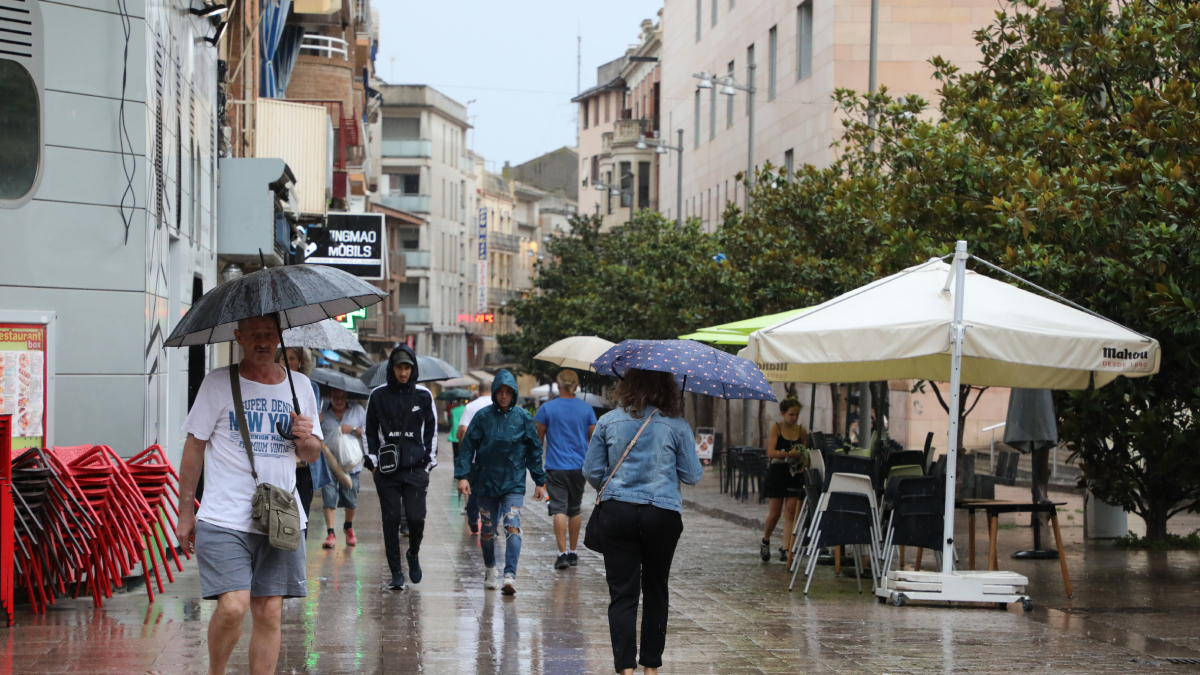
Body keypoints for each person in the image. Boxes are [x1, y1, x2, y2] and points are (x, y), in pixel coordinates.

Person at [176, 315, 323, 675]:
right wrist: (184, 513)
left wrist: (306, 438)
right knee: (233, 605)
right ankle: (216, 671)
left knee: (270, 610)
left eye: (269, 335)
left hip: (281, 520)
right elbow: (194, 448)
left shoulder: (300, 385)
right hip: (224, 517)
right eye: (254, 335)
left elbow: (312, 453)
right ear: (239, 336)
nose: (262, 342)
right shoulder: (217, 383)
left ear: (280, 338)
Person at [583, 368, 703, 675]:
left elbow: (592, 471)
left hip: (617, 514)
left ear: (628, 385)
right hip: (661, 515)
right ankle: (651, 667)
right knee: (655, 588)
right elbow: (692, 475)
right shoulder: (676, 426)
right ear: (667, 388)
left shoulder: (609, 421)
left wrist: (615, 489)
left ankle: (625, 669)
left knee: (623, 593)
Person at [455, 369, 547, 595]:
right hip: (485, 482)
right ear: (495, 392)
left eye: (508, 392)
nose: (504, 396)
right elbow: (467, 448)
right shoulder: (482, 417)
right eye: (500, 391)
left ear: (514, 394)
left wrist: (539, 481)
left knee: (512, 526)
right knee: (487, 529)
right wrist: (463, 476)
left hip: (513, 482)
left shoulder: (523, 418)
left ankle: (510, 575)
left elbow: (534, 451)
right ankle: (490, 568)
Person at [364, 344, 437, 591]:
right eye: (399, 367)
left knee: (416, 518)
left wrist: (428, 463)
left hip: (416, 469)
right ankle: (396, 572)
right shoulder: (378, 395)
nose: (403, 373)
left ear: (413, 368)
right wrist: (373, 463)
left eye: (407, 368)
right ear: (391, 368)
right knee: (391, 519)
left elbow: (431, 432)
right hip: (386, 470)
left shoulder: (424, 396)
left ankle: (413, 553)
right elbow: (369, 431)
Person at [534, 370, 597, 570]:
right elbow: (593, 439)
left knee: (559, 508)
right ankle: (573, 552)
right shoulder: (587, 409)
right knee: (575, 509)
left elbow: (538, 439)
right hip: (579, 467)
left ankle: (562, 554)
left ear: (558, 384)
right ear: (576, 386)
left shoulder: (547, 408)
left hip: (555, 467)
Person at [283, 346, 330, 532]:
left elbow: (314, 420)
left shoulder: (311, 386)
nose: (287, 362)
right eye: (283, 358)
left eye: (292, 358)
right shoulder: (271, 386)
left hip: (302, 465)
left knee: (301, 518)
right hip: (282, 459)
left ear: (301, 362)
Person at [760, 398, 809, 564]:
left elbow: (806, 453)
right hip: (778, 472)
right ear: (783, 413)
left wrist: (803, 463)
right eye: (791, 414)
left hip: (795, 474)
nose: (794, 418)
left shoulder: (802, 431)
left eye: (797, 414)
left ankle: (786, 548)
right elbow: (771, 452)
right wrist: (788, 454)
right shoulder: (777, 428)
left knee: (791, 513)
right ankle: (766, 539)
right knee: (775, 513)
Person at [319, 386, 366, 549]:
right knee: (329, 495)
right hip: (328, 463)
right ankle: (330, 532)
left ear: (347, 396)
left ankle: (348, 526)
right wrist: (316, 422)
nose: (338, 401)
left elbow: (368, 432)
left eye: (342, 397)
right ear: (329, 396)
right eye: (335, 397)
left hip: (351, 464)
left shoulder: (358, 410)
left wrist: (352, 430)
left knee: (350, 499)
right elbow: (314, 435)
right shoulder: (322, 412)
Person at [457, 390, 492, 534]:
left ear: (478, 391)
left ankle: (472, 518)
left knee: (473, 489)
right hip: (492, 457)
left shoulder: (471, 406)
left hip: (474, 456)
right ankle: (490, 523)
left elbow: (463, 431)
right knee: (491, 490)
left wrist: (463, 452)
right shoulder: (498, 405)